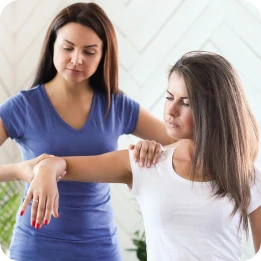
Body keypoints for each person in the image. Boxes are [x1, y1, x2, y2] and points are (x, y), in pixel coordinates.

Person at [22, 51, 261, 261]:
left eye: (186, 103)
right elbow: (61, 164)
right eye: (169, 97)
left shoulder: (247, 176)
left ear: (215, 110)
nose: (171, 110)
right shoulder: (146, 163)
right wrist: (46, 170)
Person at [0, 2, 174, 261]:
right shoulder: (23, 106)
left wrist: (156, 149)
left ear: (104, 54)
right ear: (52, 47)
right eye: (68, 48)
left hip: (100, 247)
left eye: (89, 52)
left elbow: (186, 145)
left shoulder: (117, 106)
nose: (76, 59)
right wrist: (21, 170)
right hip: (35, 247)